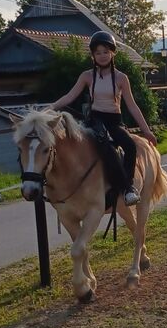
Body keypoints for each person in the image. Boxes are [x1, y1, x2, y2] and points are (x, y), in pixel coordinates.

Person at [51, 30, 157, 206]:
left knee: (130, 146)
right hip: (95, 119)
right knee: (101, 143)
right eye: (98, 52)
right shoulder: (86, 76)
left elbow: (132, 106)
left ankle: (128, 188)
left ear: (112, 53)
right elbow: (69, 97)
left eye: (105, 52)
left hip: (114, 120)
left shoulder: (122, 78)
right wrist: (49, 108)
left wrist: (146, 131)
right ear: (93, 55)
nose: (102, 56)